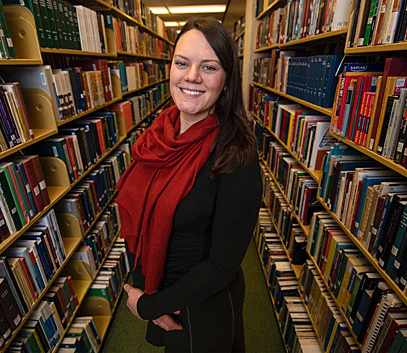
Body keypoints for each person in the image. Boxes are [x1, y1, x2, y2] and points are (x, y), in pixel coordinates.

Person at [115, 17, 263, 353]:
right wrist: (147, 291)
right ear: (170, 68)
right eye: (182, 63)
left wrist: (148, 307)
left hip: (200, 307)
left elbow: (222, 266)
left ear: (226, 80)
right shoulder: (157, 136)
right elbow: (142, 214)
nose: (192, 76)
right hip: (160, 292)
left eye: (208, 67)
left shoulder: (237, 153)